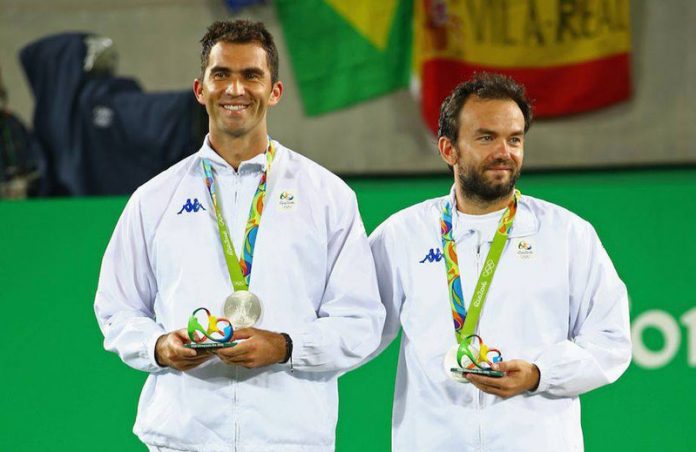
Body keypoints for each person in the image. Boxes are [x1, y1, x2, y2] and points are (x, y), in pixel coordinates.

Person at [94, 20, 384, 451]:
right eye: (221, 74)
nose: (235, 89)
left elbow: (361, 322)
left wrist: (286, 347)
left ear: (275, 91)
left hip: (289, 439)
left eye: (251, 75)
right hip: (183, 438)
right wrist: (157, 346)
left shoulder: (327, 196)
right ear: (200, 89)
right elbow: (116, 309)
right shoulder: (154, 199)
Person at [368, 73, 631, 451]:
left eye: (515, 139)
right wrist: (292, 347)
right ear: (448, 149)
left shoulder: (568, 235)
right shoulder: (403, 235)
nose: (504, 152)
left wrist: (540, 374)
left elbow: (611, 340)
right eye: (486, 138)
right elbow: (356, 327)